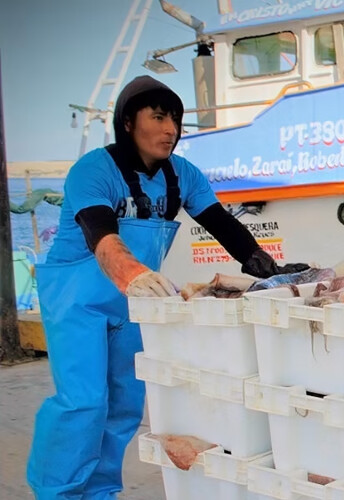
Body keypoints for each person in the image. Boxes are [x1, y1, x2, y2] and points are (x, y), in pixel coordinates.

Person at [27, 75, 308, 499]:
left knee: (123, 406)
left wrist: (269, 269)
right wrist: (133, 274)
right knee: (83, 402)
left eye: (175, 120)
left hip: (132, 306)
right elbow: (100, 235)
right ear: (127, 122)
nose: (170, 130)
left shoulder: (183, 175)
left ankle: (100, 492)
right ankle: (57, 493)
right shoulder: (93, 169)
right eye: (157, 117)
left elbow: (223, 226)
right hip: (77, 301)